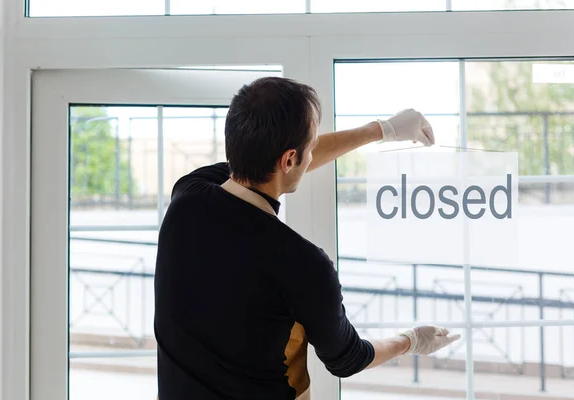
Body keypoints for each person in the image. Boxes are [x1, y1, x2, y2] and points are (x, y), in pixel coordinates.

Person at [153, 77, 460, 400]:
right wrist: (410, 340)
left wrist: (382, 129)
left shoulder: (186, 195)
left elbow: (274, 156)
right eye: (311, 147)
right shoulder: (300, 263)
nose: (314, 155)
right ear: (289, 160)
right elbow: (348, 358)